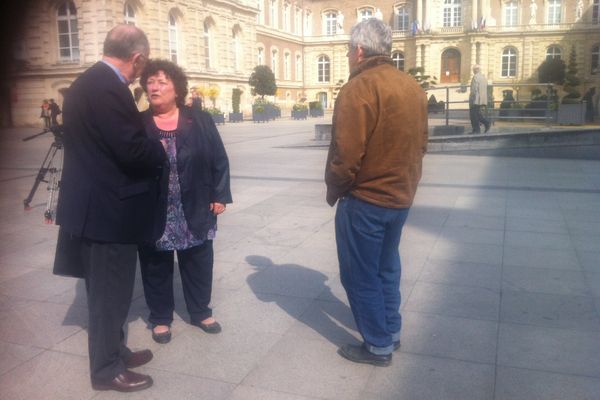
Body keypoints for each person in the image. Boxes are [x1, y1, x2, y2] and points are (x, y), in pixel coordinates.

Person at [52, 25, 166, 392]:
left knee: (110, 291)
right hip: (106, 213)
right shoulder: (107, 87)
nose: (139, 73)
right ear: (136, 58)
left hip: (97, 205)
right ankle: (106, 370)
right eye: (141, 66)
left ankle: (115, 350)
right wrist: (159, 150)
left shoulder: (88, 81)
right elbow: (131, 150)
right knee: (108, 295)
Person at [324, 19, 427, 367]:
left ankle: (378, 345)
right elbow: (423, 143)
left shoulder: (360, 86)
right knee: (387, 267)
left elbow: (346, 154)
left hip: (365, 199)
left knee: (360, 274)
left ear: (358, 50)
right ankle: (392, 331)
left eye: (347, 50)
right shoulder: (411, 85)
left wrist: (336, 189)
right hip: (399, 198)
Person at [138, 59, 232, 344]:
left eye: (162, 82)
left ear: (176, 89)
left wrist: (219, 194)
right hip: (154, 207)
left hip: (196, 201)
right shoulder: (138, 123)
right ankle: (160, 317)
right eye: (150, 82)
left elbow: (218, 157)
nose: (154, 87)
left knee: (199, 258)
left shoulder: (199, 119)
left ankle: (200, 311)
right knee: (155, 263)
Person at [469, 64, 491, 134]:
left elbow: (474, 90)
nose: (473, 71)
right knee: (477, 114)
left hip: (476, 99)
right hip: (482, 99)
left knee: (473, 115)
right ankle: (484, 124)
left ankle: (477, 130)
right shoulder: (483, 77)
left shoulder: (475, 77)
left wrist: (471, 99)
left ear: (476, 70)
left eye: (473, 70)